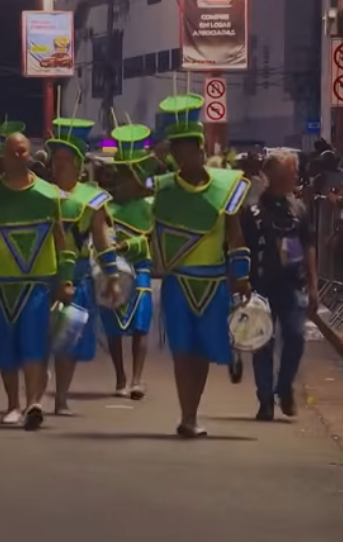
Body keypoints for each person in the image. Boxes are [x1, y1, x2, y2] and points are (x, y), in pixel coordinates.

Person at [152, 93, 251, 438]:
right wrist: (150, 159)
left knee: (203, 353)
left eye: (187, 147)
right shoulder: (162, 189)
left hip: (213, 283)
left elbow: (235, 236)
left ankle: (193, 412)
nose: (182, 156)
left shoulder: (227, 187)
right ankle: (186, 416)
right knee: (182, 350)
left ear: (200, 147)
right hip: (178, 283)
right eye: (176, 149)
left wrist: (242, 278)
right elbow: (129, 193)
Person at [0, 133, 75, 430]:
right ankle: (12, 404)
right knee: (3, 347)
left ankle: (33, 404)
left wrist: (65, 279)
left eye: (23, 151)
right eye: (13, 151)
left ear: (30, 154)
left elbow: (61, 239)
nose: (18, 156)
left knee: (33, 343)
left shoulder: (48, 194)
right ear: (3, 155)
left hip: (36, 283)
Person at [46, 117, 120, 415]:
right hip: (42, 273)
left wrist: (112, 275)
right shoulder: (39, 192)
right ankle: (34, 395)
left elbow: (100, 239)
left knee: (68, 341)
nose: (59, 165)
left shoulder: (93, 199)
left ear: (79, 164)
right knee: (35, 340)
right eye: (55, 159)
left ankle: (61, 396)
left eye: (65, 159)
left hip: (76, 276)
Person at [241, 150, 318, 421]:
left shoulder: (298, 209)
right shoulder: (252, 211)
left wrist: (313, 285)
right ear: (273, 174)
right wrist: (240, 281)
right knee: (262, 342)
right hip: (260, 285)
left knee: (296, 336)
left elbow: (308, 246)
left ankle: (284, 386)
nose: (295, 176)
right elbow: (241, 247)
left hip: (292, 285)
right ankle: (265, 400)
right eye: (290, 171)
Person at [101, 124, 156, 399]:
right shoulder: (106, 206)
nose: (122, 181)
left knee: (141, 324)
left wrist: (126, 245)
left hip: (140, 267)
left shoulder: (149, 206)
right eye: (120, 175)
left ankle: (137, 378)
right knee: (112, 326)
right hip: (113, 270)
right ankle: (120, 377)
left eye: (128, 175)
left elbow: (150, 240)